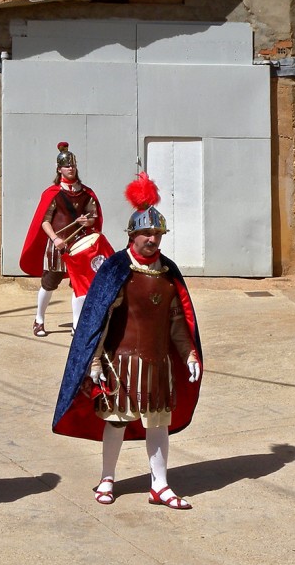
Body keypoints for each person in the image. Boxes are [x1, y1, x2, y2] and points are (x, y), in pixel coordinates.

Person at [53, 172, 204, 510]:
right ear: (133, 234)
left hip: (158, 364)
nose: (153, 239)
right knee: (117, 422)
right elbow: (99, 320)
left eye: (158, 233)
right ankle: (107, 477)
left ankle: (160, 485)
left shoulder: (168, 272)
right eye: (147, 233)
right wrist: (93, 361)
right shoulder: (116, 268)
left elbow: (178, 321)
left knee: (158, 424)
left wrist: (190, 354)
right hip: (119, 365)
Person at [20, 141, 104, 336]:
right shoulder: (53, 194)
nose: (71, 168)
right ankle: (39, 319)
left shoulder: (86, 193)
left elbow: (93, 217)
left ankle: (76, 324)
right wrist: (55, 239)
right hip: (58, 244)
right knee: (49, 284)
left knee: (79, 284)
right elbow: (45, 221)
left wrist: (87, 221)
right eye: (67, 166)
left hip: (79, 245)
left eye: (73, 165)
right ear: (59, 169)